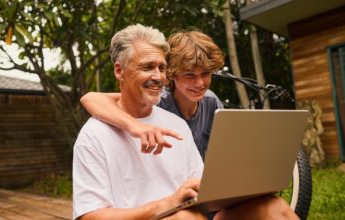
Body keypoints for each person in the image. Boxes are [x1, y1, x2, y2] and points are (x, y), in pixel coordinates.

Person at [73, 24, 298, 220]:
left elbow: (203, 188)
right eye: (147, 66)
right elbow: (93, 99)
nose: (158, 76)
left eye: (161, 67)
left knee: (273, 208)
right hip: (161, 215)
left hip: (195, 213)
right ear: (119, 71)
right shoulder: (96, 134)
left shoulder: (183, 121)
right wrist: (135, 126)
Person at [80, 30, 225, 161]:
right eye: (189, 75)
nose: (199, 83)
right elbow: (91, 98)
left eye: (206, 74)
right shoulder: (155, 101)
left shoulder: (211, 102)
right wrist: (135, 125)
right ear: (171, 73)